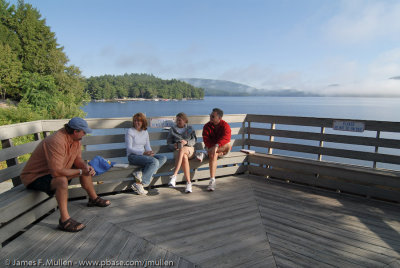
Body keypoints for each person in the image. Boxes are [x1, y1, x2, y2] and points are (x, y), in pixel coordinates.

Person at [20, 117, 111, 232]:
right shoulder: (57, 141)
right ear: (75, 131)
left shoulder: (76, 140)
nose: (85, 134)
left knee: (83, 168)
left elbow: (77, 159)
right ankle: (64, 221)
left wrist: (85, 167)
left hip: (54, 172)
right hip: (35, 177)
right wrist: (81, 171)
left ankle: (93, 199)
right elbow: (56, 172)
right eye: (84, 132)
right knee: (62, 180)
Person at [126, 113, 167, 195]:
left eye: (139, 121)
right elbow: (129, 148)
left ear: (143, 122)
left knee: (163, 158)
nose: (136, 123)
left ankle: (140, 173)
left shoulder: (145, 132)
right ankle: (140, 184)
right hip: (133, 156)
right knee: (154, 162)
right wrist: (143, 153)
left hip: (143, 155)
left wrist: (150, 153)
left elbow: (147, 146)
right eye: (135, 121)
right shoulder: (130, 131)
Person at [202, 108, 232, 191]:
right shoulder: (207, 126)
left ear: (219, 118)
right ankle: (212, 180)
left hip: (221, 148)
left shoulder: (225, 125)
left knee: (228, 145)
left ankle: (206, 153)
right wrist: (214, 148)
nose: (210, 117)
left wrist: (217, 145)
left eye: (212, 116)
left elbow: (227, 137)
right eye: (210, 116)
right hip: (213, 149)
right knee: (213, 154)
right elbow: (206, 140)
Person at [167, 112, 197, 193]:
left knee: (183, 150)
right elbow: (169, 143)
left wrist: (186, 142)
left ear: (185, 120)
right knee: (184, 156)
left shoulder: (190, 128)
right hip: (178, 151)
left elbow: (194, 140)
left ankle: (174, 175)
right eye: (177, 120)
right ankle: (188, 183)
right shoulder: (172, 130)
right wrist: (174, 146)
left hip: (189, 149)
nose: (178, 122)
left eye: (180, 120)